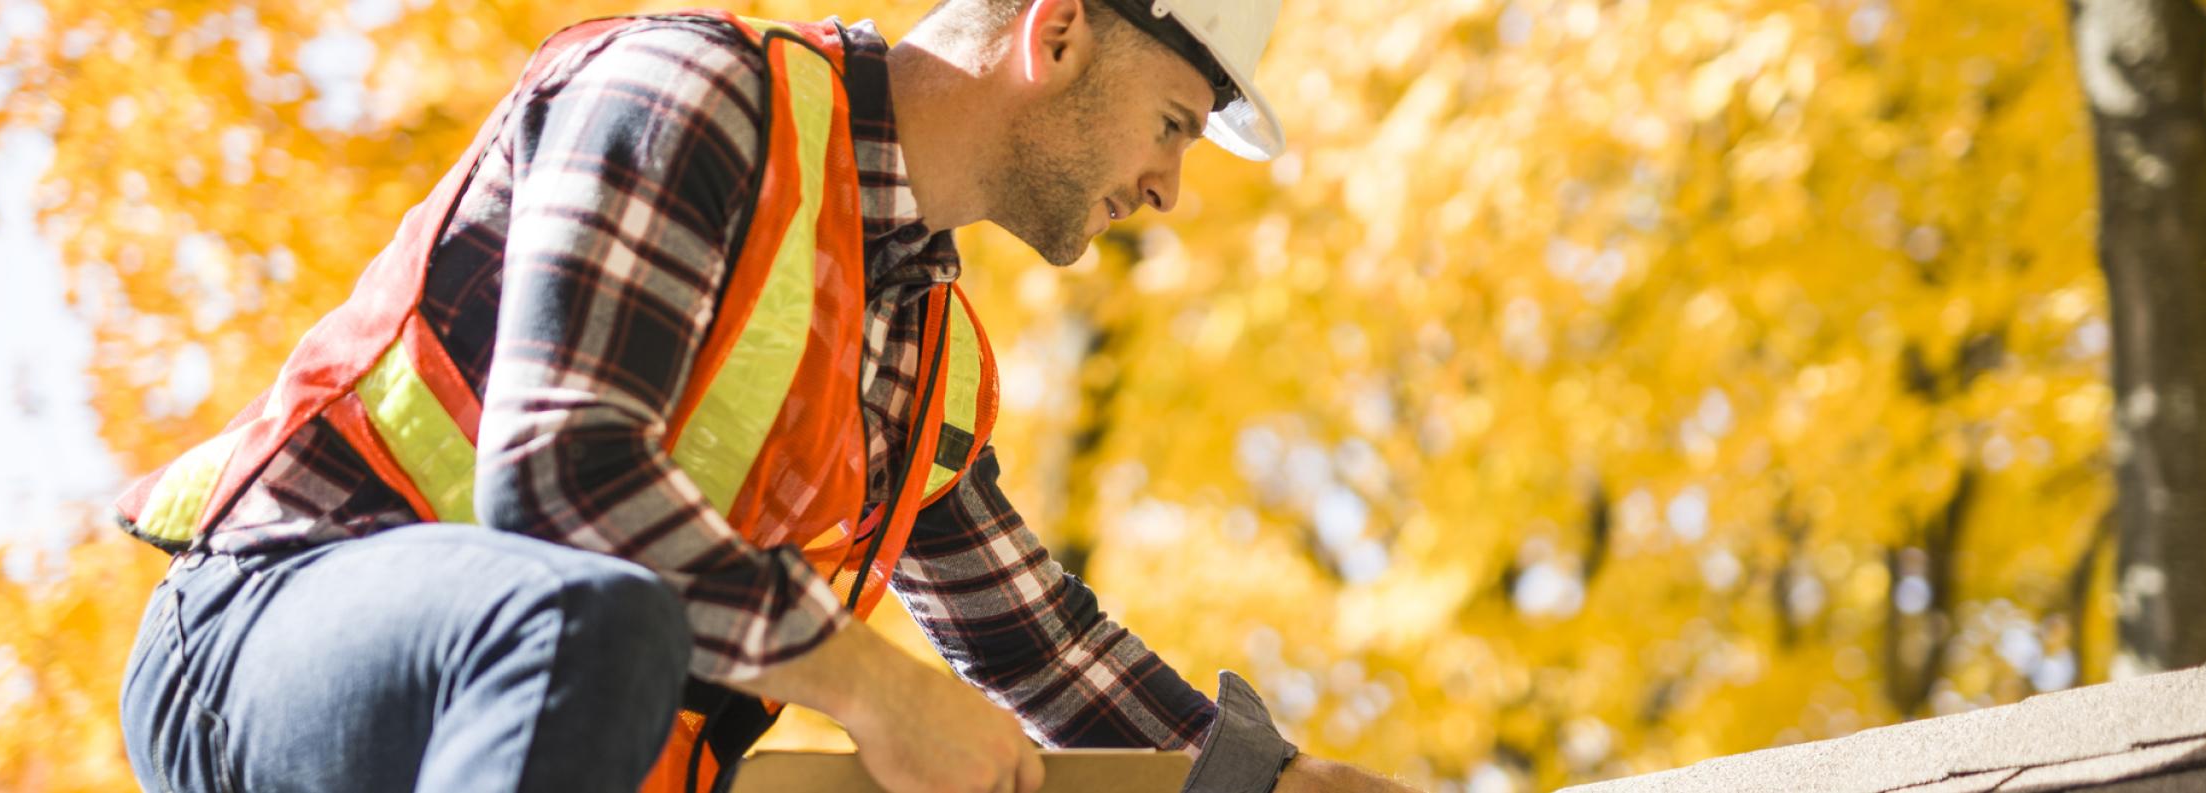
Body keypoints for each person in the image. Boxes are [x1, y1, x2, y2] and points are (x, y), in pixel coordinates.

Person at [113, 1, 1414, 791]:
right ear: (1058, 32)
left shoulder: (923, 357)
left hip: (529, 731)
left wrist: (1278, 784)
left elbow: (1039, 651)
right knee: (595, 620)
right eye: (1175, 124)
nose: (1170, 187)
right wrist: (869, 686)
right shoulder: (693, 93)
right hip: (265, 636)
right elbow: (557, 477)